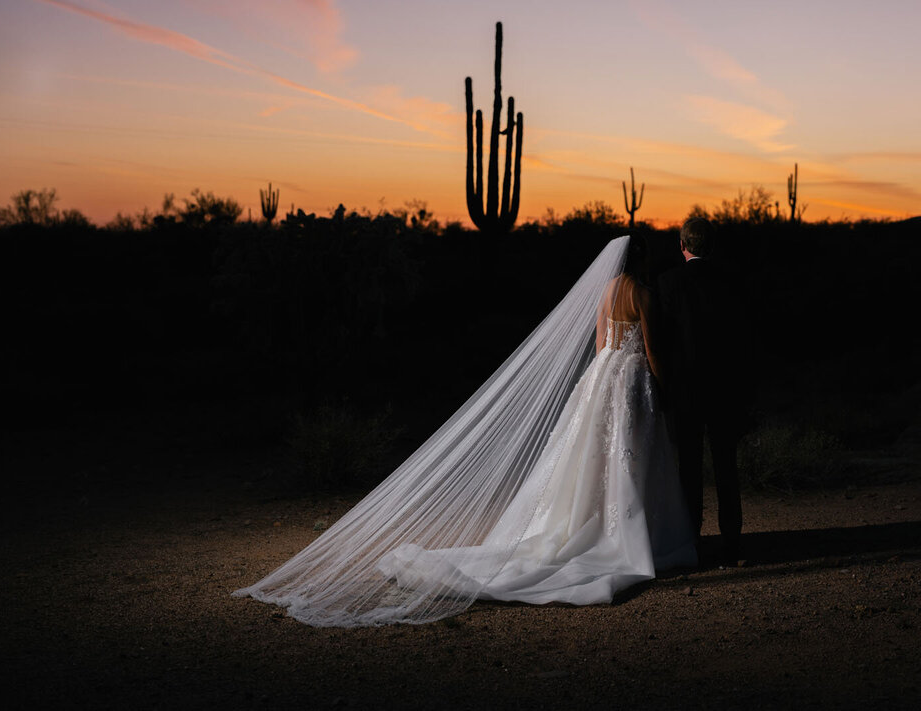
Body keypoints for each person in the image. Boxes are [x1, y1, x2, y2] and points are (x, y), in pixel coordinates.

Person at [234, 234, 695, 626]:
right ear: (642, 258)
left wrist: (601, 379)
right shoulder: (643, 294)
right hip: (631, 377)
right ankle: (630, 535)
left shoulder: (608, 289)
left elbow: (599, 342)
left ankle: (593, 526)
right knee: (629, 454)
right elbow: (654, 350)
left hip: (602, 377)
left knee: (594, 457)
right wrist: (660, 383)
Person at [656, 216, 743, 565]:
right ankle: (731, 540)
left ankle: (692, 540)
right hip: (724, 389)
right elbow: (743, 341)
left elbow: (661, 341)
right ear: (713, 245)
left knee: (688, 469)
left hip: (686, 391)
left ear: (682, 246)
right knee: (726, 466)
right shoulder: (732, 282)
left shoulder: (668, 283)